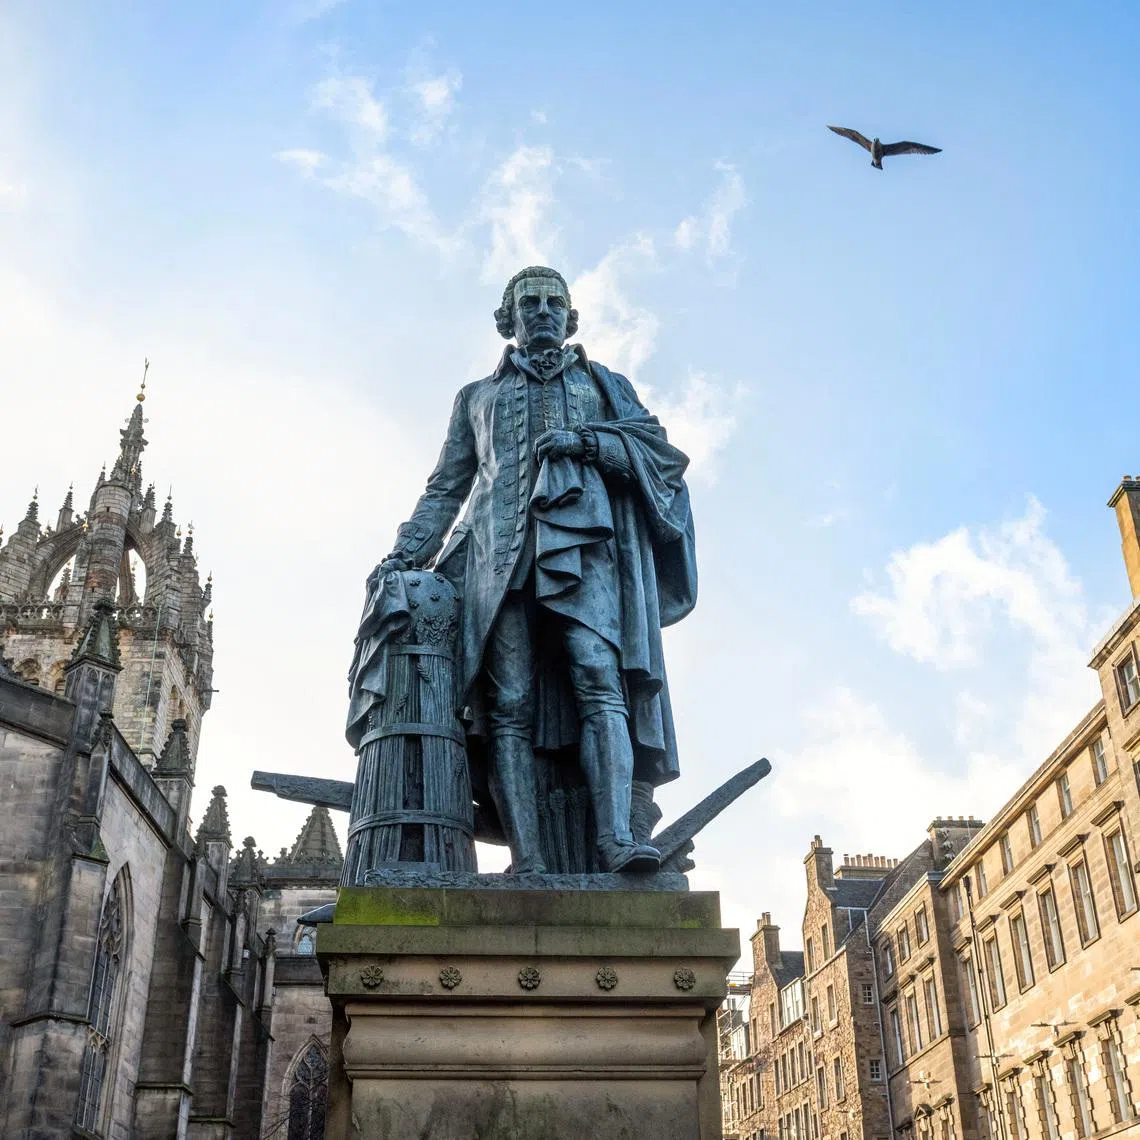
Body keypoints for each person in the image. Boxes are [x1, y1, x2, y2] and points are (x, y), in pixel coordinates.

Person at [374, 266, 697, 873]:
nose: (543, 311)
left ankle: (616, 841)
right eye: (530, 303)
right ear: (509, 319)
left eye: (555, 302)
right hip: (496, 562)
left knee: (600, 681)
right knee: (509, 704)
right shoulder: (475, 397)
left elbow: (659, 454)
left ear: (571, 316)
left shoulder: (605, 384)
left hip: (586, 552)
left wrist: (590, 444)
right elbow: (448, 486)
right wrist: (404, 551)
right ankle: (529, 860)